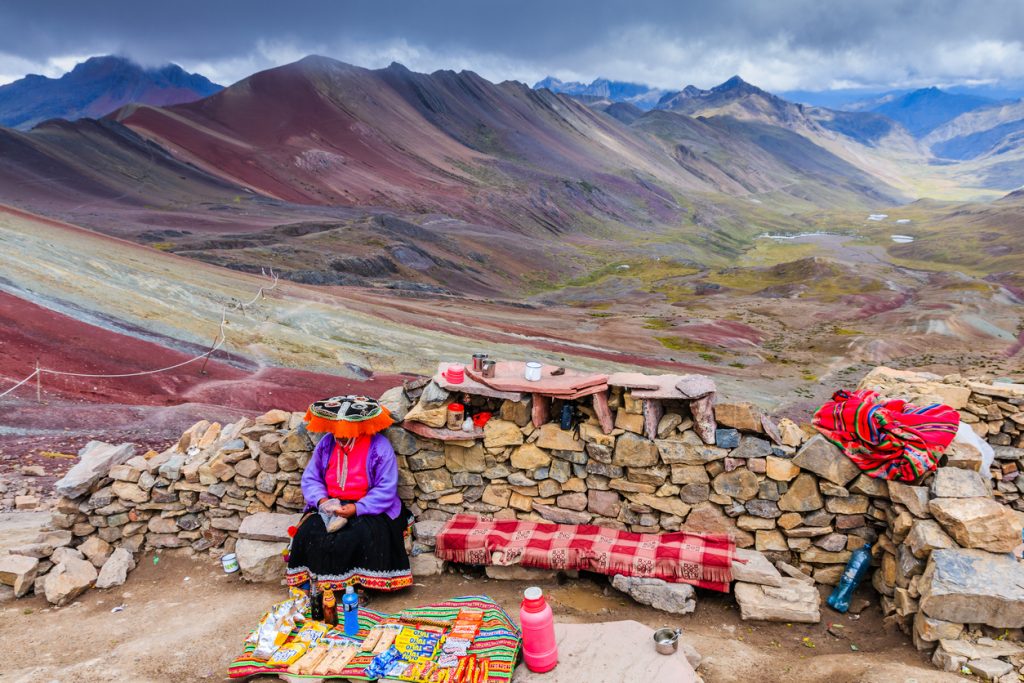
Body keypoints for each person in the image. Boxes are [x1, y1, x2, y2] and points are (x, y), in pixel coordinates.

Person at [286, 394, 413, 593]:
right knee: (310, 532)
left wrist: (357, 508)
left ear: (358, 427)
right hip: (332, 503)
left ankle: (360, 586)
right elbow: (311, 478)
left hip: (370, 505)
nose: (340, 435)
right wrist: (323, 501)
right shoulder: (326, 444)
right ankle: (317, 581)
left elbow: (386, 488)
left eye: (345, 430)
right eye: (336, 430)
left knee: (360, 535)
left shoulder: (379, 447)